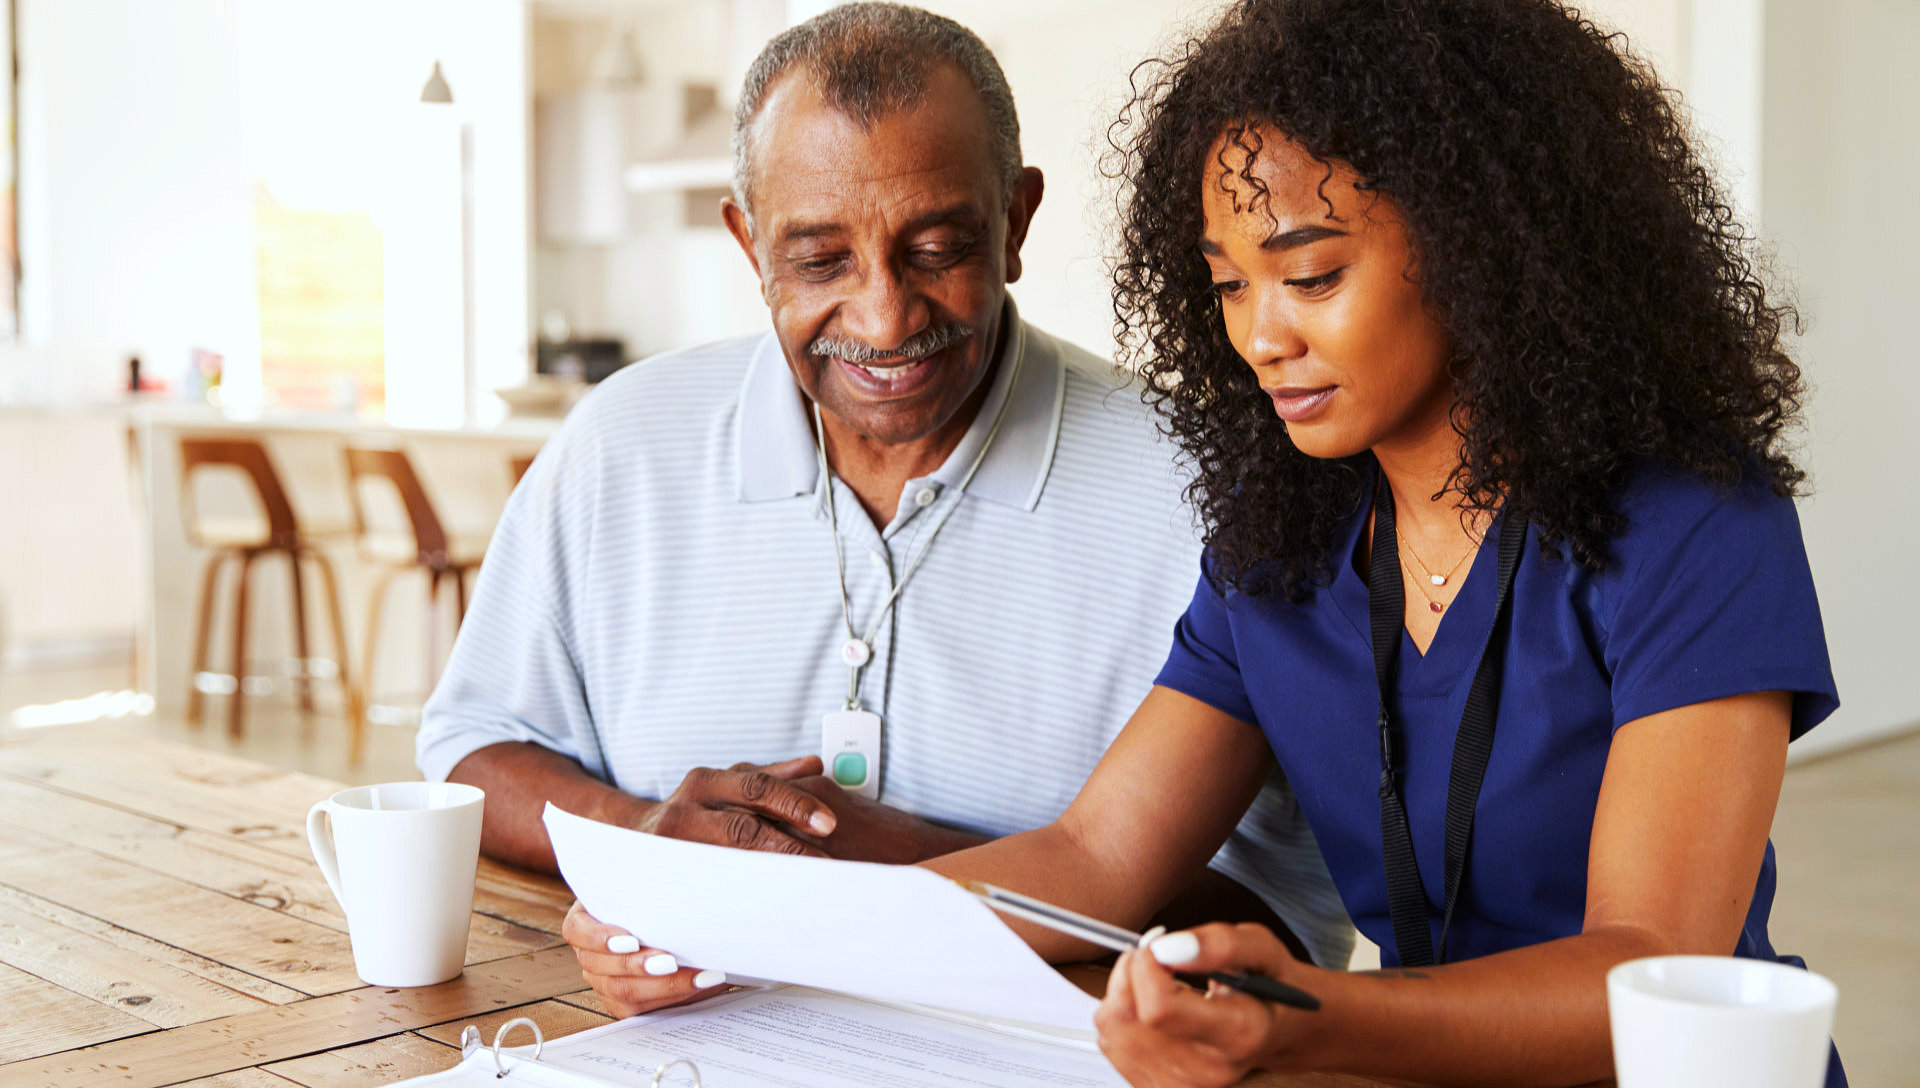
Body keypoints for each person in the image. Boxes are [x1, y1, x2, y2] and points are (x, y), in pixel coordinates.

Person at [918, 0, 1848, 1084]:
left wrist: (1301, 1012)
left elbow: (1648, 968)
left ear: (1483, 245)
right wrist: (761, 935)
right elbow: (1092, 856)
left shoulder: (1695, 522)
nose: (1262, 337)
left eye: (1311, 275)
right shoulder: (1281, 545)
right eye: (1228, 283)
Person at [415, 2, 1351, 1018]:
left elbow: (1281, 921)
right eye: (820, 261)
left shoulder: (1209, 487)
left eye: (938, 247)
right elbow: (473, 742)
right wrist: (649, 845)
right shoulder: (618, 442)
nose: (883, 317)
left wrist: (865, 866)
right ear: (748, 242)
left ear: (1016, 221)